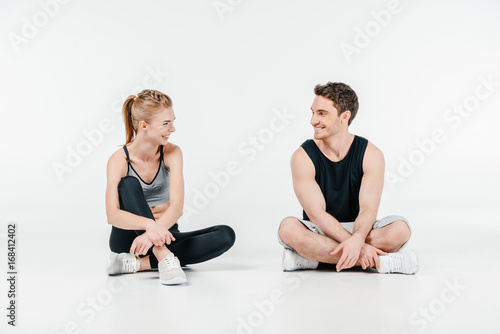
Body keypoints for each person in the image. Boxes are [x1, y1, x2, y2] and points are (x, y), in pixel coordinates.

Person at [277, 82, 418, 274]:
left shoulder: (371, 154)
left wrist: (358, 239)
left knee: (400, 230)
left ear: (344, 116)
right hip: (320, 229)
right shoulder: (302, 156)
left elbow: (368, 209)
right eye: (312, 112)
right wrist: (358, 247)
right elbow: (316, 214)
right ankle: (382, 263)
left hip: (361, 229)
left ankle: (311, 258)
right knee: (289, 229)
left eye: (322, 113)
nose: (313, 121)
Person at [105, 89, 235, 285]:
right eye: (166, 124)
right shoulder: (119, 160)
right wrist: (149, 226)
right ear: (143, 126)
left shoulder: (173, 153)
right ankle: (165, 258)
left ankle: (137, 264)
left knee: (226, 235)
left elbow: (177, 207)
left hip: (165, 234)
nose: (172, 129)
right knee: (128, 184)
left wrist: (152, 236)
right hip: (129, 240)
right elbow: (112, 215)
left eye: (173, 121)